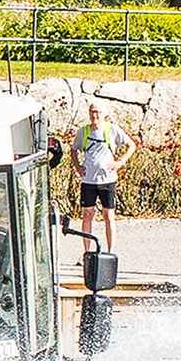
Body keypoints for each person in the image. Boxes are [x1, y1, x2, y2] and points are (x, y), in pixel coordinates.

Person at [72, 102, 134, 257]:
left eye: (98, 112)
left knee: (109, 215)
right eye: (92, 112)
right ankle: (86, 252)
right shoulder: (83, 132)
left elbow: (131, 145)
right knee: (87, 214)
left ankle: (110, 252)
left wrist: (120, 162)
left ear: (103, 113)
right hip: (89, 181)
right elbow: (74, 150)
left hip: (107, 180)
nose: (95, 115)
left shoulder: (111, 129)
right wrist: (78, 166)